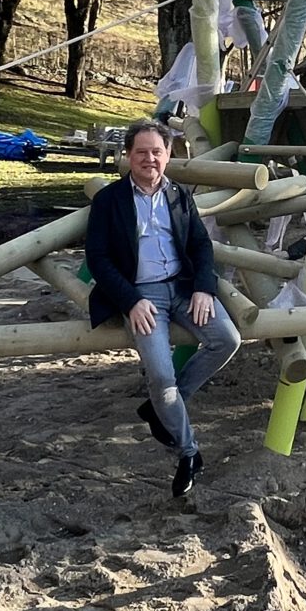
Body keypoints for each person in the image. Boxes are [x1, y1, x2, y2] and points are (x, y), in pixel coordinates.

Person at [85, 119, 241, 496]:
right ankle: (189, 452)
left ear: (169, 155)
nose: (150, 159)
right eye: (141, 152)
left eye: (157, 152)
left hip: (184, 288)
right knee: (159, 375)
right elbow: (98, 259)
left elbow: (201, 246)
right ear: (128, 156)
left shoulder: (179, 195)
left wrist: (204, 288)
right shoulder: (109, 200)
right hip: (141, 295)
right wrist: (131, 300)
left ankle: (164, 408)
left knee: (228, 338)